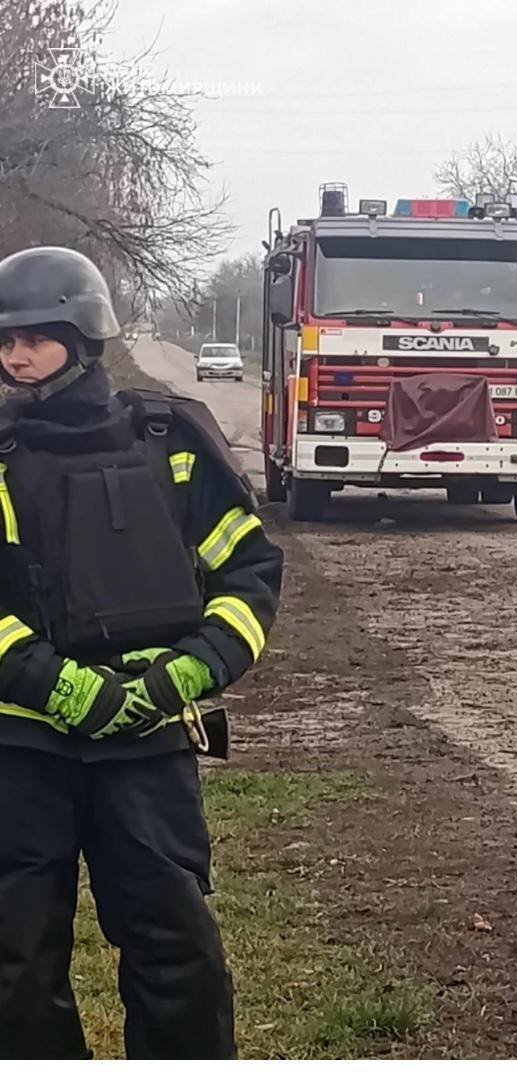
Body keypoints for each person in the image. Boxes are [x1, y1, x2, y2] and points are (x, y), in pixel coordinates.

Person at [0, 246, 283, 1059]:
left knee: (175, 950)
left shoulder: (169, 437)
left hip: (148, 742)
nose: (16, 354)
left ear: (83, 335)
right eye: (6, 339)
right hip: (22, 748)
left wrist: (189, 669)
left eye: (37, 335)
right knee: (16, 961)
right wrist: (56, 686)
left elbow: (250, 567)